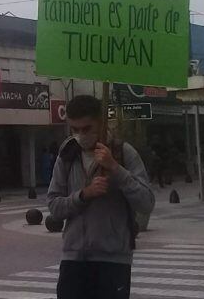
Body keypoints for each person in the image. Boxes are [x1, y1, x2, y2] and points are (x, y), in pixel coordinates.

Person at [47, 95, 155, 299]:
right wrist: (83, 195)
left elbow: (146, 203)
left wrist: (115, 168)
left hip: (113, 260)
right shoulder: (68, 154)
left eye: (86, 129)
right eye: (74, 130)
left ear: (101, 122)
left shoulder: (124, 152)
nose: (80, 135)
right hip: (74, 259)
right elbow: (54, 206)